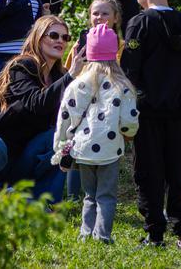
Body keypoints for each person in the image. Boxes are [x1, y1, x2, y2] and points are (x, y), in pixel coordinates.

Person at [0, 16, 79, 203]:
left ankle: (42, 203)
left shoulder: (59, 78)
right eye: (53, 35)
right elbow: (36, 103)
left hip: (16, 158)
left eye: (65, 37)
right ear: (38, 37)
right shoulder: (23, 66)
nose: (60, 41)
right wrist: (70, 75)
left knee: (62, 138)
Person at [121, 0, 181, 250]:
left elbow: (130, 70)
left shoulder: (140, 23)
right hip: (177, 109)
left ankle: (154, 232)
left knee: (148, 171)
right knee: (175, 170)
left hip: (147, 110)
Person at [54, 24, 139, 244]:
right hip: (110, 150)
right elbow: (130, 121)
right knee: (106, 196)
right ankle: (102, 236)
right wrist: (127, 133)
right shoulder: (122, 85)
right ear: (115, 53)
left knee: (89, 195)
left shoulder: (77, 84)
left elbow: (64, 116)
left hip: (83, 149)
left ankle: (85, 233)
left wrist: (61, 145)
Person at [61, 0, 125, 201]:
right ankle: (73, 196)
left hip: (108, 106)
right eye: (95, 13)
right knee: (75, 142)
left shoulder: (121, 46)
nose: (99, 17)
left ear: (115, 18)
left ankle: (100, 193)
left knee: (102, 146)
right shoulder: (80, 44)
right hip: (82, 102)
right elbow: (69, 71)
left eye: (105, 13)